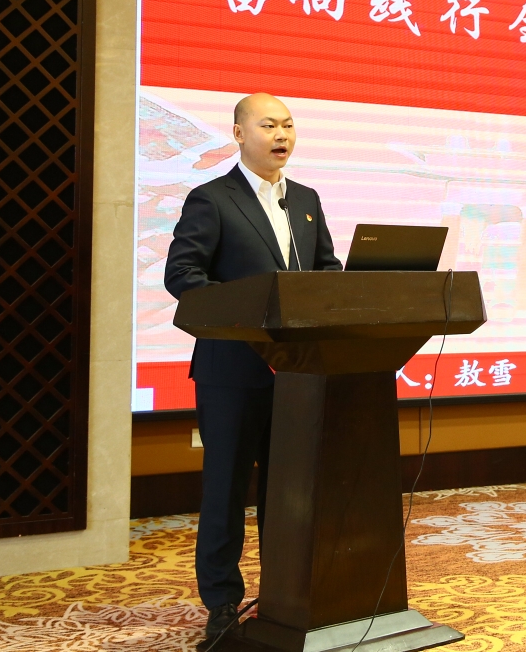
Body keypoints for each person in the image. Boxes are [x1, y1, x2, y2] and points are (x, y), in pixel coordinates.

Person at [164, 93, 343, 642]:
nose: (281, 134)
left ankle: (285, 595)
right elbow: (183, 274)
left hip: (298, 373)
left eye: (288, 124)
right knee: (226, 490)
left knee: (288, 493)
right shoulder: (211, 199)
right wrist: (246, 312)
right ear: (240, 134)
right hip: (232, 372)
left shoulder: (305, 200)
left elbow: (326, 268)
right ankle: (221, 604)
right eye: (268, 125)